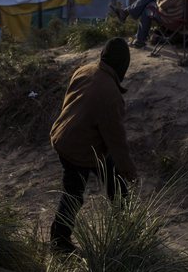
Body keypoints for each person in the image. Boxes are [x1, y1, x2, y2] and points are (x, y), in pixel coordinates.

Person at [49, 37, 137, 254]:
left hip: (64, 136)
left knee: (113, 182)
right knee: (74, 194)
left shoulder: (86, 70)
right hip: (78, 149)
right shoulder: (110, 95)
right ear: (122, 66)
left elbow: (70, 101)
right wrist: (130, 171)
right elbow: (116, 141)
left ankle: (126, 228)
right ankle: (58, 242)